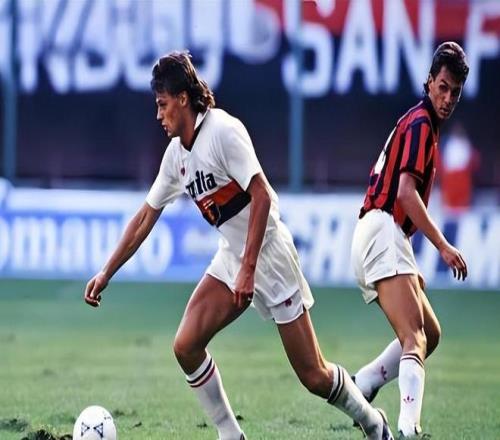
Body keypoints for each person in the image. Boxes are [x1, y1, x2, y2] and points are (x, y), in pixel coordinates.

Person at [84, 51, 393, 440]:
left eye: (162, 104)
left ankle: (373, 422)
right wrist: (106, 272)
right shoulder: (176, 156)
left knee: (313, 375)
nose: (158, 115)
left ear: (183, 98)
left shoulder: (223, 132)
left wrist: (249, 269)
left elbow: (261, 196)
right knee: (186, 346)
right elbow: (145, 217)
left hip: (269, 255)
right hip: (233, 253)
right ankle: (231, 435)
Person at [350, 42, 469, 438]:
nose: (447, 98)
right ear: (429, 81)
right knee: (414, 338)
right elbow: (404, 194)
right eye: (443, 87)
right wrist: (443, 246)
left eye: (455, 92)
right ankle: (408, 428)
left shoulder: (420, 124)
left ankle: (363, 383)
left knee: (428, 333)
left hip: (380, 232)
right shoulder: (421, 124)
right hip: (382, 229)